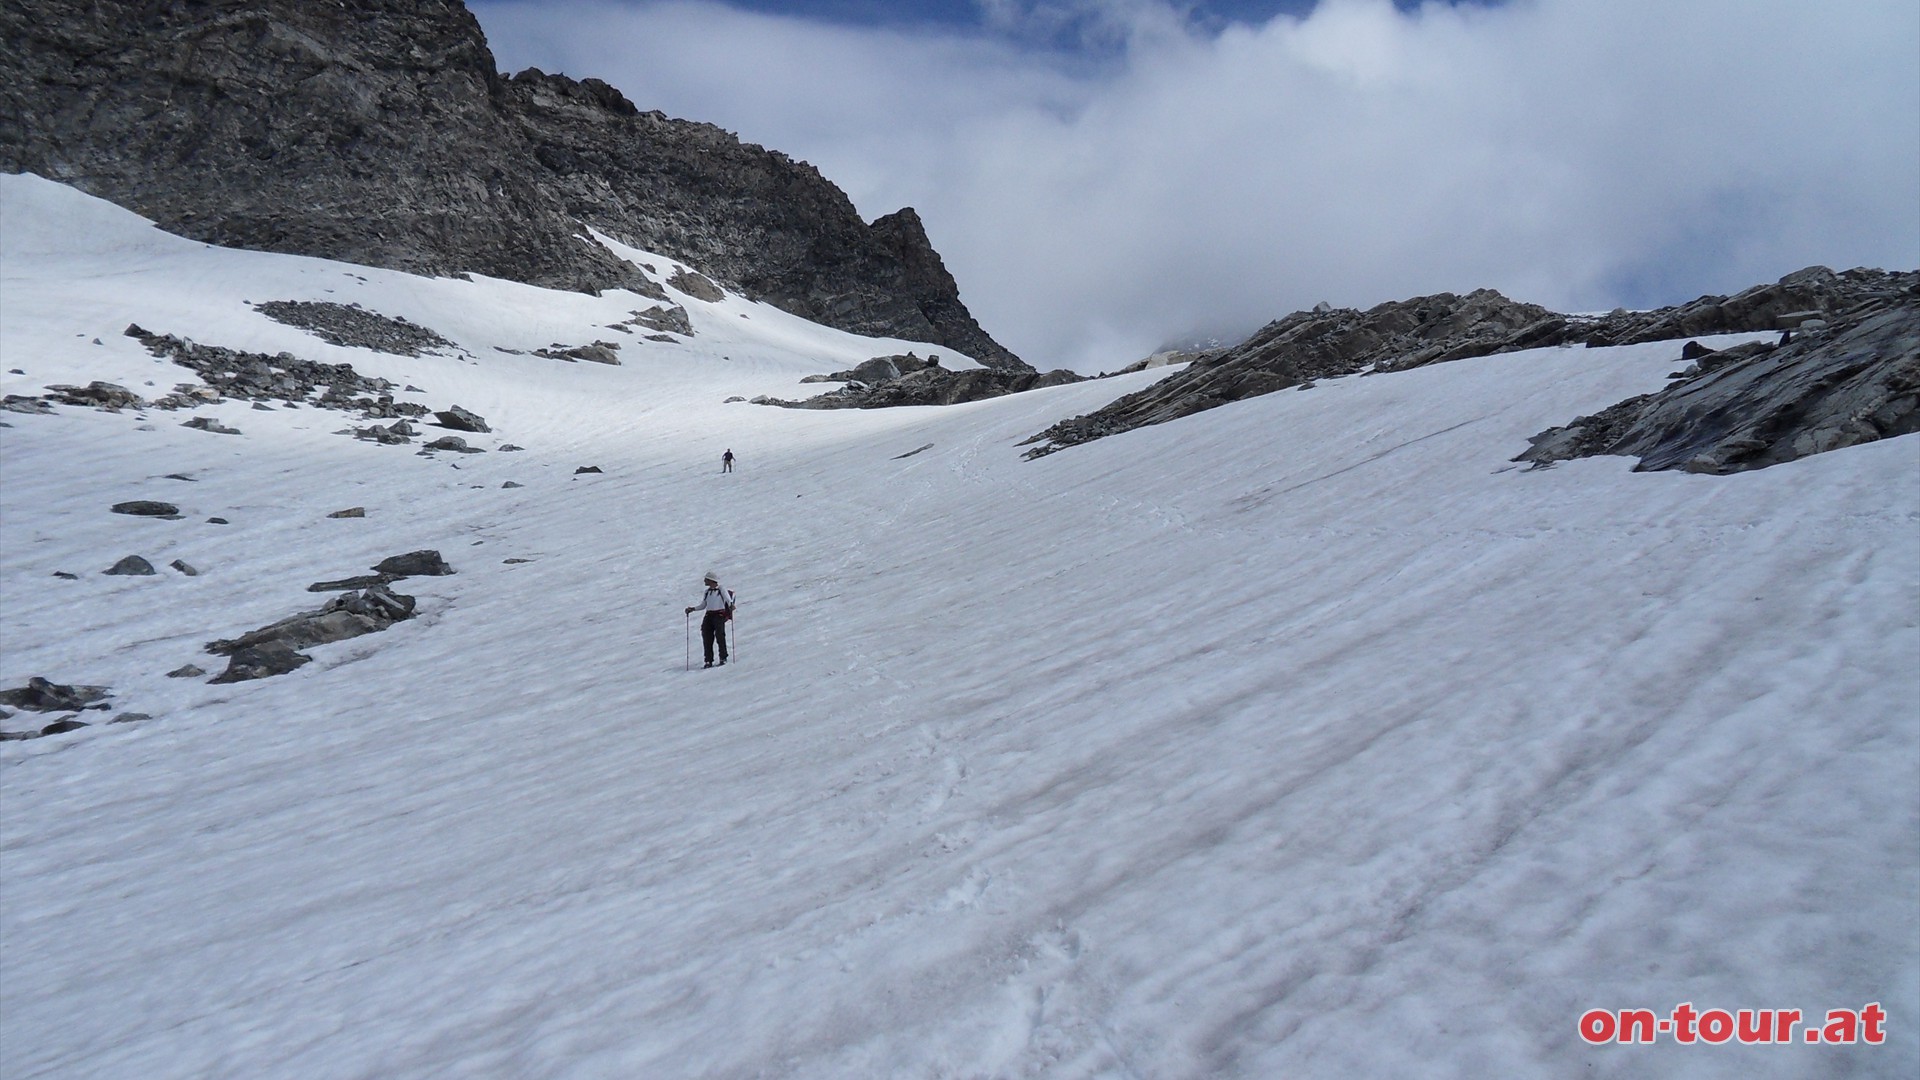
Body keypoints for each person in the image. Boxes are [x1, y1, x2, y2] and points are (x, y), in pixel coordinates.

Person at [685, 571, 734, 667]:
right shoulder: (707, 592)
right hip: (709, 616)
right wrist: (693, 609)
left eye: (706, 579)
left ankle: (722, 657)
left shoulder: (721, 589)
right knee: (707, 637)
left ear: (711, 580)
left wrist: (731, 604)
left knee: (720, 636)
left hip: (719, 615)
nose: (704, 581)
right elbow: (704, 605)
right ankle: (708, 660)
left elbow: (728, 599)